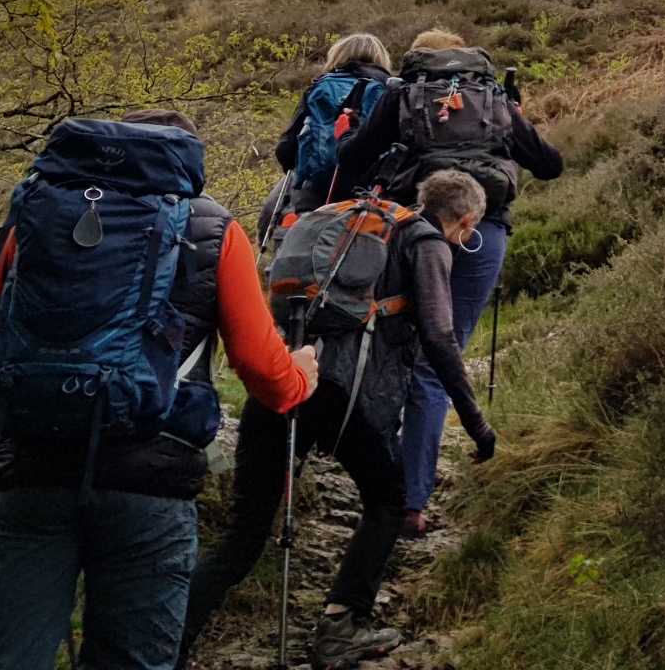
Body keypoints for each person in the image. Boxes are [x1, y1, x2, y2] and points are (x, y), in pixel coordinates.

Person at [0, 109, 317, 670]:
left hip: (34, 471)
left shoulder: (38, 217)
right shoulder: (214, 229)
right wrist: (301, 374)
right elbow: (265, 373)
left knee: (9, 658)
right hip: (149, 482)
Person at [182, 169, 498, 669]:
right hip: (344, 396)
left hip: (285, 378)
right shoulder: (426, 242)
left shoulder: (355, 222)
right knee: (388, 502)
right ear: (467, 221)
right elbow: (440, 337)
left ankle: (165, 645)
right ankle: (340, 626)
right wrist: (479, 427)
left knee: (244, 535)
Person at [331, 30, 562, 534]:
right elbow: (551, 165)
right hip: (482, 231)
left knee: (393, 351)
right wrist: (511, 121)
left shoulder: (402, 94)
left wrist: (348, 132)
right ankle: (411, 505)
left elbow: (352, 159)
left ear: (419, 59)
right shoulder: (493, 98)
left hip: (409, 232)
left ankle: (378, 485)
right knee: (438, 362)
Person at [270, 33, 396, 221]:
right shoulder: (391, 90)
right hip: (372, 195)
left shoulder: (320, 86)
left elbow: (286, 148)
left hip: (316, 193)